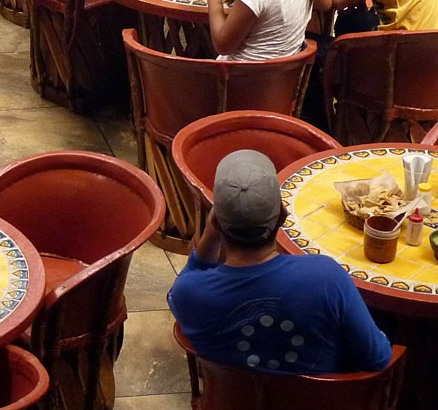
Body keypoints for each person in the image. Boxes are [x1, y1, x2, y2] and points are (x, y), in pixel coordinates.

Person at [168, 150, 392, 375]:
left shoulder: (189, 294)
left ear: (215, 222)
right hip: (318, 409)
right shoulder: (326, 278)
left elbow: (191, 275)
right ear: (283, 217)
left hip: (232, 409)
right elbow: (377, 358)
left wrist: (211, 233)